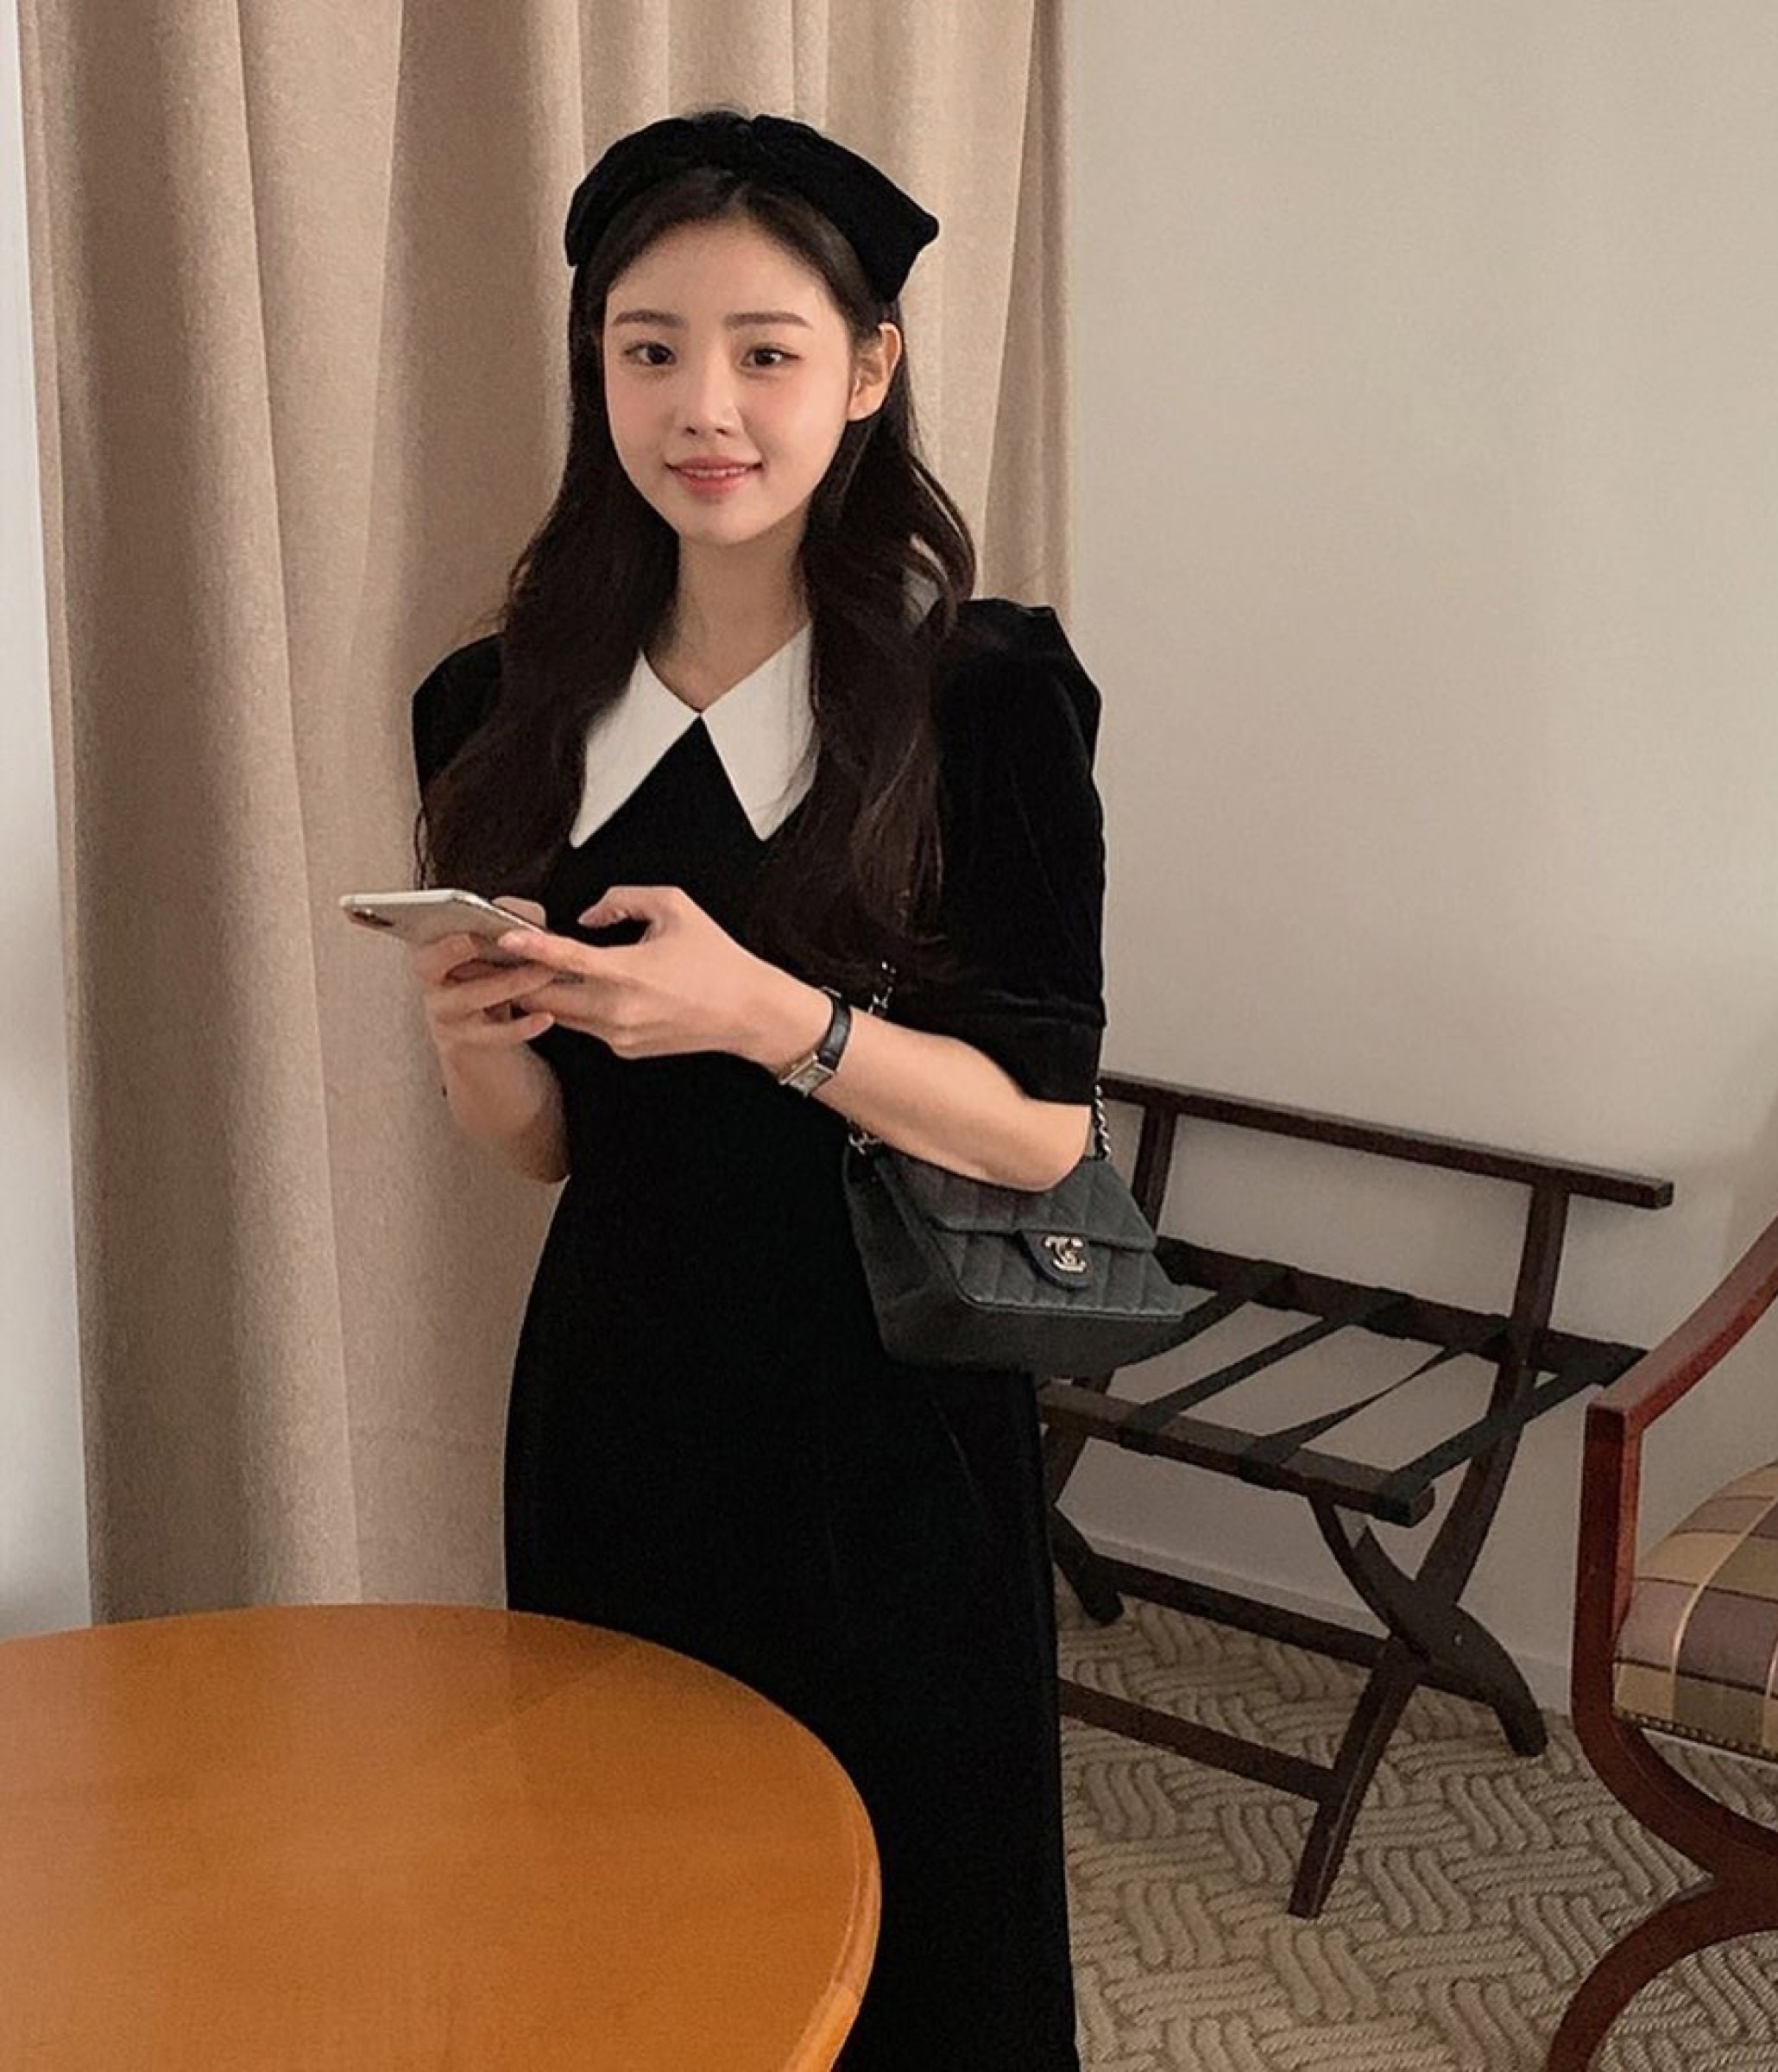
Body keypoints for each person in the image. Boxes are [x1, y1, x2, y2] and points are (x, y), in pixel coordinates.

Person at [405, 105, 1105, 2069]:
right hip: (617, 1391)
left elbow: (1044, 1132)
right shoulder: (491, 709)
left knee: (918, 1919)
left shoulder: (986, 699)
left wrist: (767, 1017)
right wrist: (473, 1052)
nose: (702, 406)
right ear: (597, 368)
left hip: (889, 1420)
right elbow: (551, 1153)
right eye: (649, 349)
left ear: (866, 373)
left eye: (765, 351)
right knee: (631, 1892)